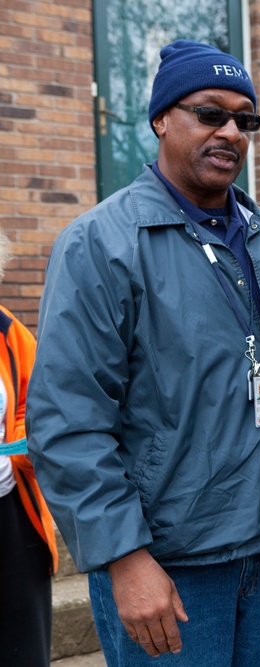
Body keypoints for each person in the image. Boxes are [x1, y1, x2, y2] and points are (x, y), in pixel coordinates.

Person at [26, 40, 260, 666]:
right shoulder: (101, 246)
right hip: (170, 570)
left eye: (246, 119)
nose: (231, 131)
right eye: (210, 113)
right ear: (162, 118)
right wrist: (124, 559)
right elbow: (68, 420)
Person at [0, 230, 59, 667]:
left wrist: (19, 448)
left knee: (23, 650)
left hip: (12, 517)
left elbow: (33, 402)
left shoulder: (8, 331)